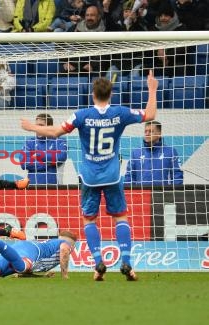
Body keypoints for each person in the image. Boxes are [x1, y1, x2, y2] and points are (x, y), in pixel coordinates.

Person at [20, 70, 160, 281]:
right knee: (120, 217)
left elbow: (56, 132)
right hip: (112, 175)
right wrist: (152, 89)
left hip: (89, 177)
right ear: (110, 95)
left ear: (93, 94)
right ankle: (127, 264)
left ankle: (97, 264)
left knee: (89, 220)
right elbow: (150, 115)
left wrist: (32, 126)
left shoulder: (81, 115)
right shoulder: (120, 113)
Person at [124, 120, 184, 186]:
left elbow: (177, 174)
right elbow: (129, 176)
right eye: (145, 131)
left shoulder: (171, 151)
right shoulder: (136, 153)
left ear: (159, 133)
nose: (147, 134)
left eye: (150, 131)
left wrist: (172, 194)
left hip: (164, 194)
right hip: (142, 194)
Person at [21, 113, 68, 185]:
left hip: (54, 187)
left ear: (49, 127)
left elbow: (61, 157)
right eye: (36, 126)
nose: (37, 129)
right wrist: (48, 163)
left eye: (41, 126)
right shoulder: (29, 142)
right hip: (32, 188)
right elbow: (24, 164)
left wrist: (38, 155)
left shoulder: (59, 141)